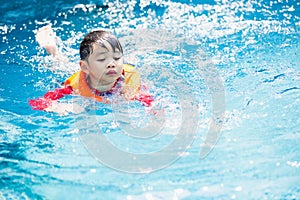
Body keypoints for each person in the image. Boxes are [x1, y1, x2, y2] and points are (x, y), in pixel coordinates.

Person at [29, 25, 153, 113]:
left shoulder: (129, 79)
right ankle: (52, 50)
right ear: (85, 67)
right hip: (89, 76)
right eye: (101, 59)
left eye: (116, 58)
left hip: (97, 72)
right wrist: (60, 107)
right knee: (62, 67)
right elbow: (38, 103)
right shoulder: (74, 86)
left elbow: (152, 104)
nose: (111, 64)